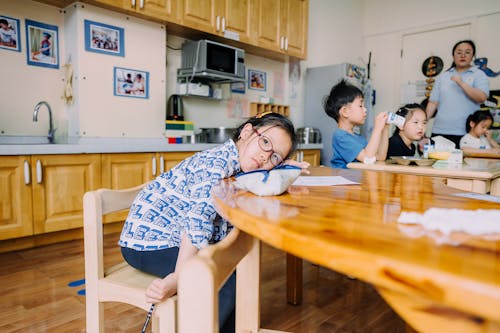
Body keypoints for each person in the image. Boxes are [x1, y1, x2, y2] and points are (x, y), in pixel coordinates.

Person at [118, 112, 309, 333]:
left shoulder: (241, 165)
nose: (266, 157)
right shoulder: (216, 164)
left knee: (231, 278)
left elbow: (265, 173)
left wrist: (284, 167)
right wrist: (178, 277)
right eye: (265, 143)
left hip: (173, 237)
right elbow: (196, 221)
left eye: (275, 156)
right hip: (147, 242)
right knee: (222, 282)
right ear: (247, 131)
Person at [425, 40, 490, 148]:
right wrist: (422, 123)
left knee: (466, 164)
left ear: (473, 56)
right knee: (437, 163)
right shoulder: (443, 76)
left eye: (467, 52)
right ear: (453, 55)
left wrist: (461, 83)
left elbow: (482, 98)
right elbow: (433, 103)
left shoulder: (479, 74)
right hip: (440, 130)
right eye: (459, 52)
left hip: (467, 133)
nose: (463, 55)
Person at [323, 79, 389, 169]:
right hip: (344, 181)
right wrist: (377, 129)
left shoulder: (358, 138)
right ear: (345, 111)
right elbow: (368, 158)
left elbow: (380, 157)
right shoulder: (340, 136)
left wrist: (385, 129)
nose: (365, 110)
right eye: (360, 106)